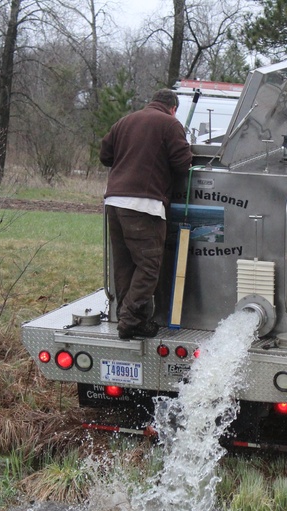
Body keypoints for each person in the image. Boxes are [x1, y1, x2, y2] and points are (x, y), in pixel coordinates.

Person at [100, 89, 193, 339]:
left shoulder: (125, 121)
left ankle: (132, 320)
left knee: (125, 265)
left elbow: (105, 155)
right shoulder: (170, 124)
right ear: (173, 108)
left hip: (114, 202)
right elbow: (183, 164)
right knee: (150, 265)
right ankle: (129, 318)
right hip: (144, 205)